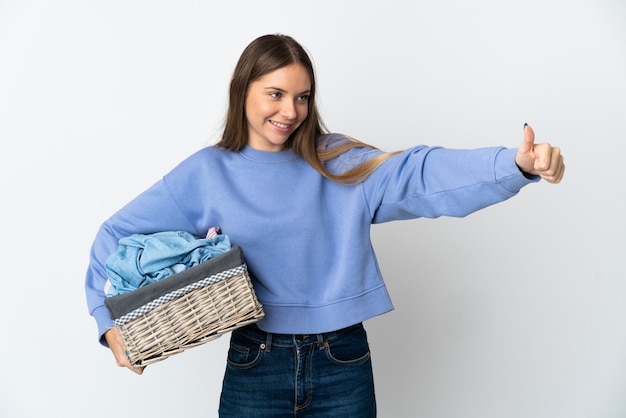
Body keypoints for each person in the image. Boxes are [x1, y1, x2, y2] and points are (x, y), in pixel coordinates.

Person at [85, 33, 565, 417]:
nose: (290, 111)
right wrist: (109, 326)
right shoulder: (205, 173)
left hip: (343, 359)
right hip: (255, 361)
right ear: (242, 90)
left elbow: (419, 174)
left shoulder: (337, 162)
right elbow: (115, 234)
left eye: (302, 97)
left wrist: (513, 165)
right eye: (275, 93)